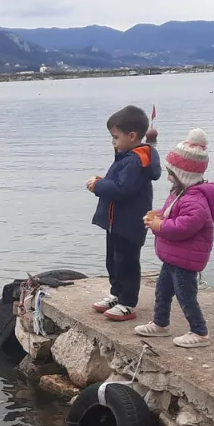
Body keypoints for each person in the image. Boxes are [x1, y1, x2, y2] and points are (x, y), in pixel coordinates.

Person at [135, 128, 214, 348]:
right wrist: (159, 214)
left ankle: (200, 331)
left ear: (184, 174)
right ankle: (160, 323)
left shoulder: (195, 200)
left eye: (172, 173)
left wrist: (159, 226)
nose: (168, 177)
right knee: (163, 290)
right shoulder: (180, 192)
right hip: (173, 256)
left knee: (186, 295)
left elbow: (184, 226)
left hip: (186, 259)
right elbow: (174, 214)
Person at [86, 105, 161, 321]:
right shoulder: (126, 157)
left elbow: (122, 189)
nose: (113, 142)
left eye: (115, 137)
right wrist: (103, 183)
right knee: (113, 259)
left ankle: (127, 302)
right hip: (115, 222)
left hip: (129, 223)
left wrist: (99, 186)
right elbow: (118, 184)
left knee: (127, 262)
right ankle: (116, 294)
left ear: (132, 136)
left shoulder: (136, 160)